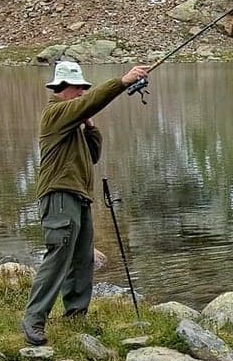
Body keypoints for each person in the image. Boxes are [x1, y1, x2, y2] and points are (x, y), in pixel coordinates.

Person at [20, 60, 150, 346]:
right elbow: (91, 102)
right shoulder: (54, 113)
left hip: (79, 197)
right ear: (62, 89)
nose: (81, 93)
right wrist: (123, 81)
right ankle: (33, 319)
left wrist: (90, 126)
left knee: (82, 260)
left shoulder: (74, 124)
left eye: (83, 89)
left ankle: (76, 317)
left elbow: (93, 154)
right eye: (77, 88)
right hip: (58, 195)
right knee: (58, 256)